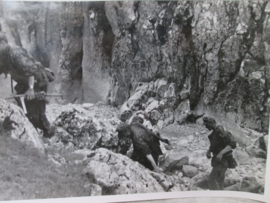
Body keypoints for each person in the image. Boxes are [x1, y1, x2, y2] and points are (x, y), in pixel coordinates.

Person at [0, 30, 55, 138]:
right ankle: (33, 134)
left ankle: (49, 132)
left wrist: (31, 89)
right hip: (23, 83)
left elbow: (32, 70)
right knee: (23, 112)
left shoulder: (15, 53)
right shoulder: (3, 56)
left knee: (35, 112)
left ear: (3, 43)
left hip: (35, 80)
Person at [203, 117, 237, 190]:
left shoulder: (220, 130)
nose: (206, 127)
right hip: (219, 161)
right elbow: (216, 145)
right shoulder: (214, 133)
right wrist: (209, 151)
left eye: (207, 125)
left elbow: (232, 144)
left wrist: (221, 153)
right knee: (219, 180)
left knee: (212, 179)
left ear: (212, 123)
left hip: (223, 160)